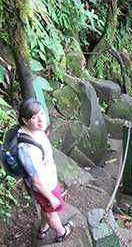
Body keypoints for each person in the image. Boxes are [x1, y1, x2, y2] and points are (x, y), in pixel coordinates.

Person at [17, 98, 74, 242]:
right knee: (51, 211)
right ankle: (62, 232)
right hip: (44, 186)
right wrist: (50, 197)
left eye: (42, 114)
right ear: (25, 120)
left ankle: (43, 229)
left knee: (46, 208)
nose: (41, 120)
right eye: (34, 117)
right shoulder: (28, 150)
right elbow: (37, 183)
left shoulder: (34, 130)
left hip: (48, 178)